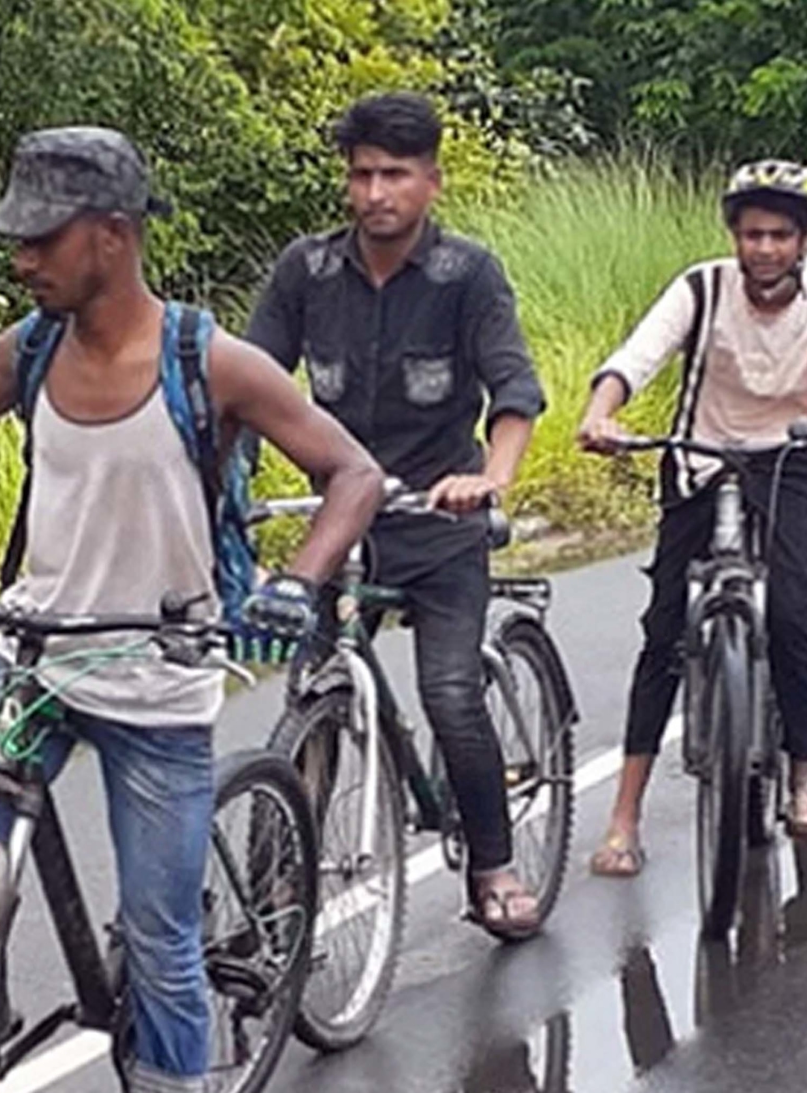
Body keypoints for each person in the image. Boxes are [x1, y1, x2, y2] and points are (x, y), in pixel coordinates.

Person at [0, 126, 384, 1093]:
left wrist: (295, 583)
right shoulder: (32, 348)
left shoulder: (210, 362)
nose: (22, 258)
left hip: (159, 673)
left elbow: (354, 474)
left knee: (163, 940)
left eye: (42, 238)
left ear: (113, 236)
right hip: (36, 656)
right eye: (18, 238)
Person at [244, 91, 550, 939]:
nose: (376, 193)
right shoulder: (306, 271)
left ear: (432, 181)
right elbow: (249, 385)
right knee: (313, 692)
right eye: (362, 175)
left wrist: (490, 477)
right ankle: (275, 893)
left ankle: (493, 865)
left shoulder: (467, 275)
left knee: (450, 693)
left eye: (395, 175)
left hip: (439, 522)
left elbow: (514, 388)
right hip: (340, 526)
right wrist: (225, 485)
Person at [578, 160, 807, 878]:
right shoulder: (703, 287)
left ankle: (803, 776)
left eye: (781, 235)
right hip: (699, 458)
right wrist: (602, 413)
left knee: (792, 612)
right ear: (734, 236)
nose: (765, 249)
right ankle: (624, 817)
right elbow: (637, 357)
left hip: (794, 460)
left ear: (806, 240)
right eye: (752, 234)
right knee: (664, 633)